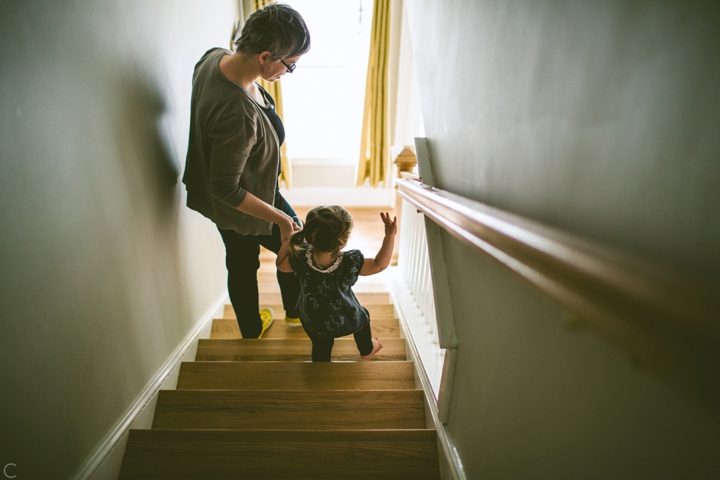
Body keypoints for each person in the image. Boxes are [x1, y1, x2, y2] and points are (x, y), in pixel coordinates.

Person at [182, 4, 311, 338]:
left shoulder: (214, 58)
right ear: (265, 56)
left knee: (240, 262)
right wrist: (281, 220)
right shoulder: (237, 113)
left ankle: (253, 328)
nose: (289, 72)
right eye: (290, 66)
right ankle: (294, 314)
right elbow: (226, 188)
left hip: (232, 196)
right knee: (298, 246)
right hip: (243, 200)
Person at [276, 206, 397, 362]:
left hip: (313, 319)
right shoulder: (349, 262)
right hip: (346, 317)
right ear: (343, 241)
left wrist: (288, 241)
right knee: (363, 316)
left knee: (320, 346)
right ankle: (367, 349)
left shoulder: (300, 258)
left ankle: (322, 366)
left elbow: (281, 265)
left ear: (309, 236)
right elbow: (379, 264)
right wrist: (389, 236)